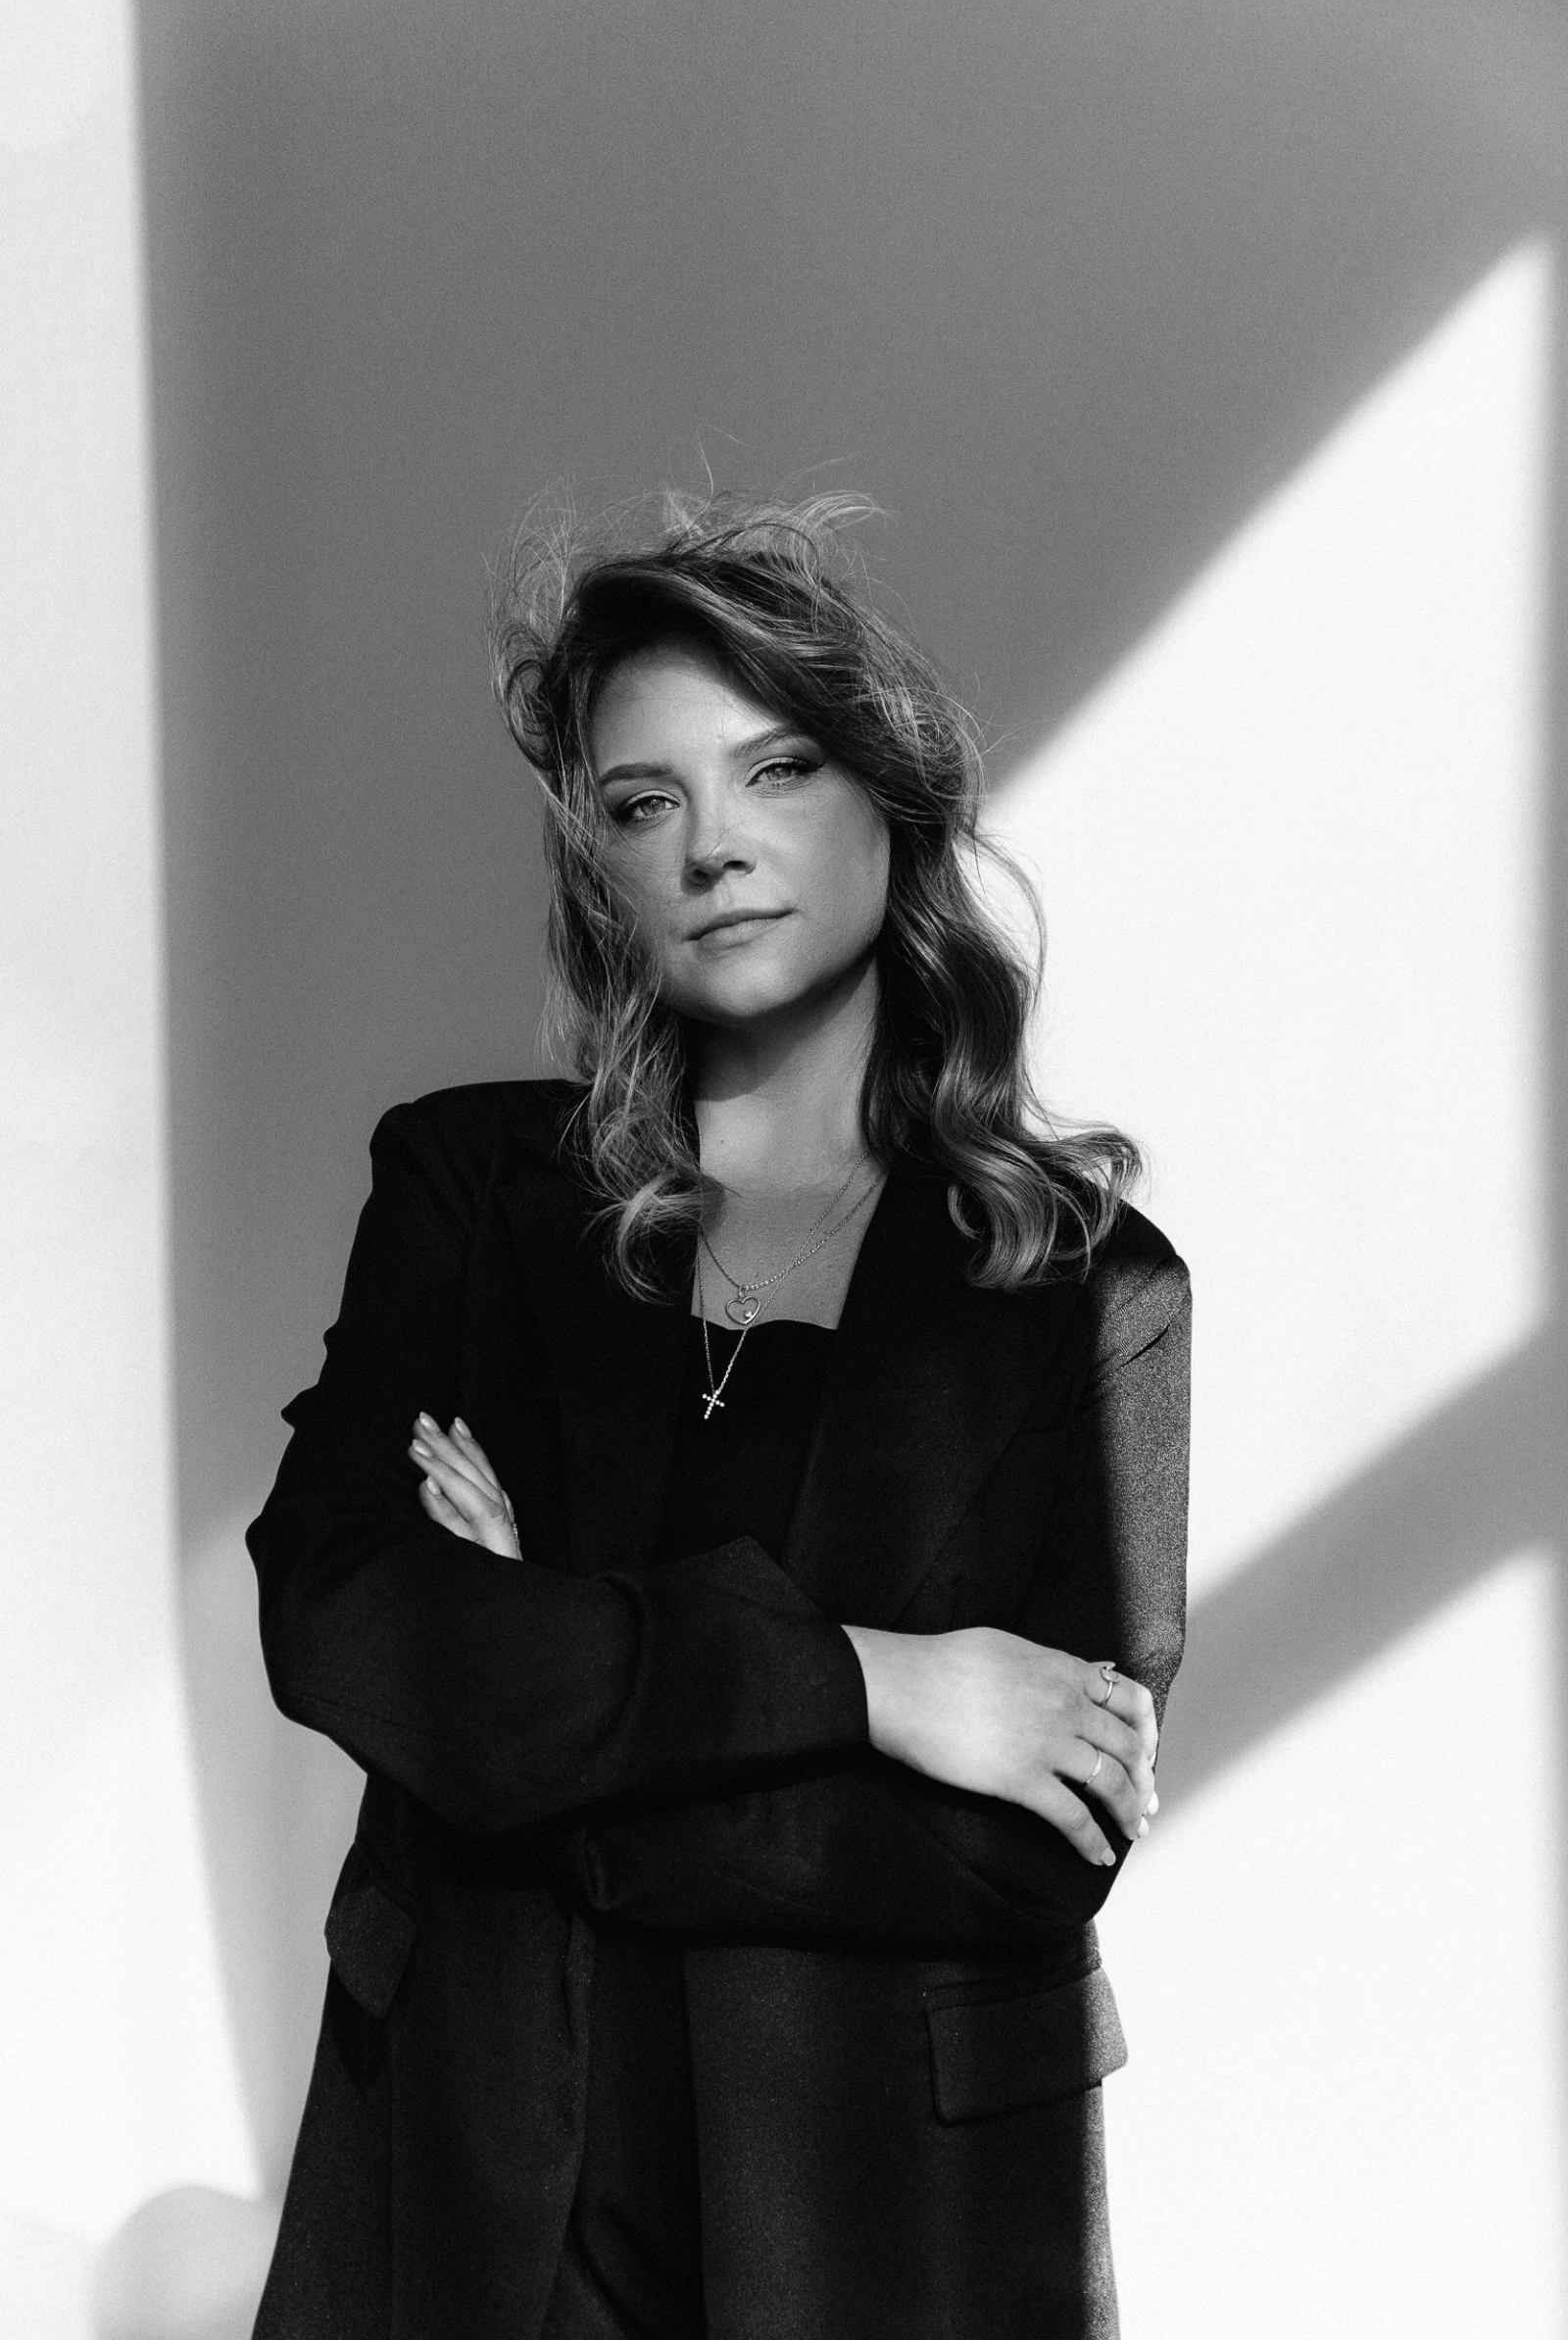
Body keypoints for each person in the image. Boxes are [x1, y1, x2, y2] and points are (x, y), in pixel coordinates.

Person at [246, 494, 1191, 2340]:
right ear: (595, 864)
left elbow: (1026, 1842)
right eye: (640, 802)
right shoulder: (468, 1195)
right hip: (472, 2196)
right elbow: (346, 1620)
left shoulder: (1085, 1293)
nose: (713, 846)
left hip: (893, 2229)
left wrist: (545, 1704)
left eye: (775, 767)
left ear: (889, 795)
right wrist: (874, 1686)